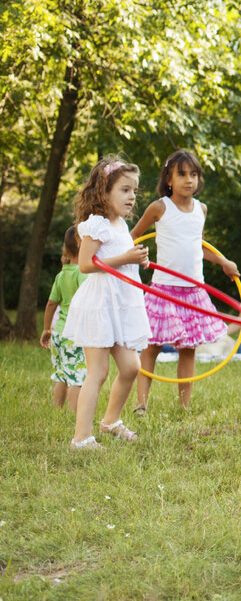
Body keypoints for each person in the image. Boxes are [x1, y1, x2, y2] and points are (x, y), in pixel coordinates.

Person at [131, 149, 240, 412]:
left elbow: (199, 247)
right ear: (169, 179)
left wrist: (224, 262)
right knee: (151, 347)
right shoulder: (159, 207)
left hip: (193, 291)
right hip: (163, 289)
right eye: (181, 174)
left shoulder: (201, 209)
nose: (188, 180)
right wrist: (131, 256)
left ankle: (184, 406)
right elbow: (133, 236)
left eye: (193, 174)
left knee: (188, 349)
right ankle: (141, 404)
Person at [61, 156, 152, 450]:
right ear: (105, 191)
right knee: (97, 373)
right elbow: (86, 264)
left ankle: (111, 421)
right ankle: (81, 438)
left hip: (121, 306)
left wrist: (139, 260)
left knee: (131, 367)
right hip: (100, 305)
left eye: (134, 191)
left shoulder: (122, 225)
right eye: (125, 190)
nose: (132, 197)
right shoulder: (95, 224)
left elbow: (124, 262)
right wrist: (125, 258)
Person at [41, 225, 87, 413]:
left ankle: (57, 411)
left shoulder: (61, 275)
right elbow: (87, 303)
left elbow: (51, 304)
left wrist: (47, 329)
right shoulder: (83, 273)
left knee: (60, 373)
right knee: (77, 375)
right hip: (75, 334)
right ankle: (74, 415)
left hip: (59, 332)